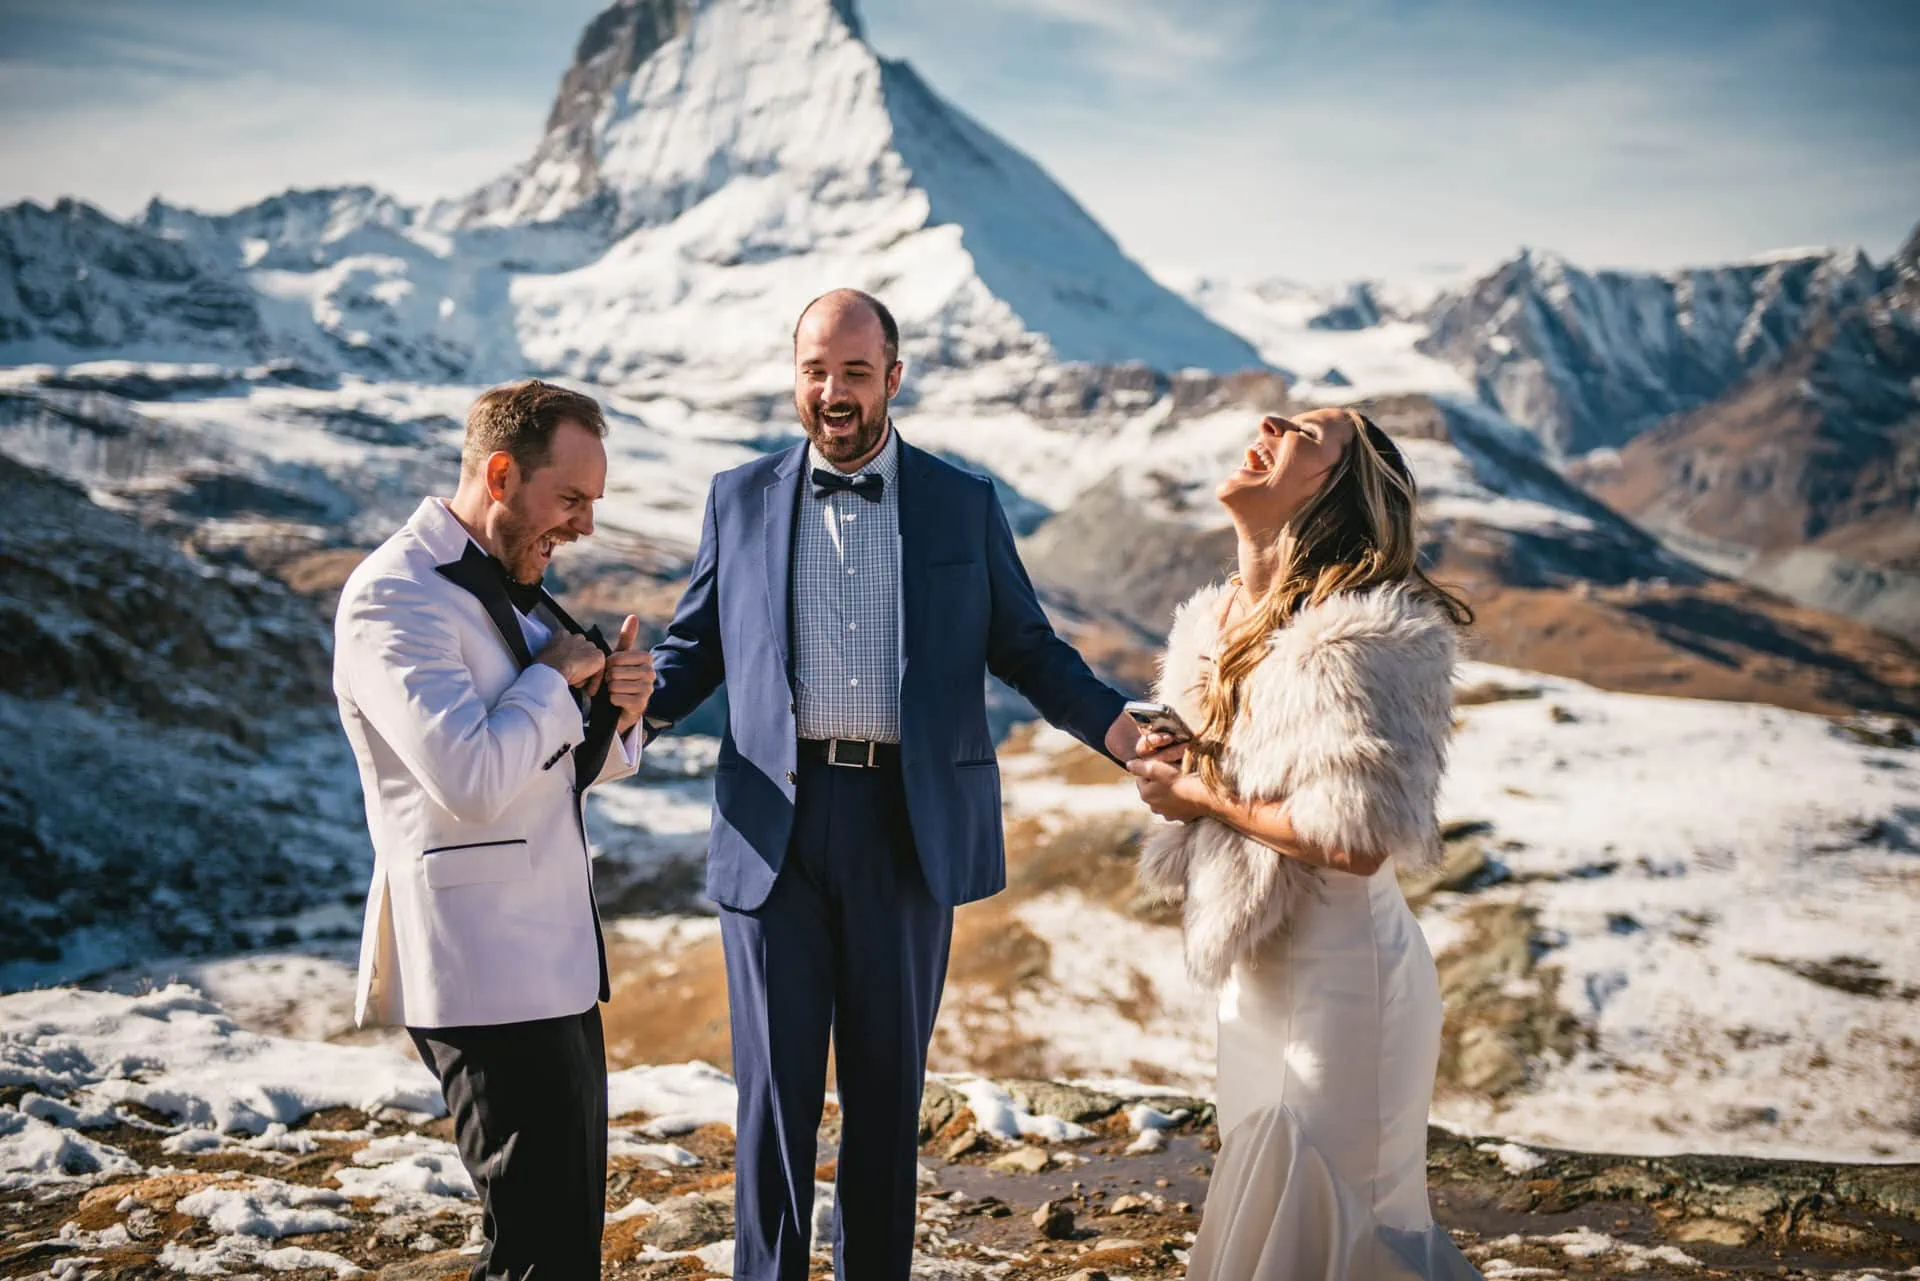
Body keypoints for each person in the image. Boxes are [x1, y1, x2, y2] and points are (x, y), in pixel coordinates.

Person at [644, 289, 1139, 1281]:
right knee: (773, 1104)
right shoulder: (736, 498)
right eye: (815, 371)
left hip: (905, 829)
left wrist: (1121, 729)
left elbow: (1028, 649)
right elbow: (690, 655)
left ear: (893, 377)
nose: (833, 392)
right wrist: (613, 722)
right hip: (772, 823)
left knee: (883, 1096)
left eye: (854, 373)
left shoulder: (963, 502)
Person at [1127, 407, 1482, 1280]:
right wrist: (1170, 787)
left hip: (1344, 982)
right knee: (1267, 1205)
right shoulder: (1215, 626)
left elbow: (1356, 844)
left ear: (1331, 488)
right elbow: (1216, 796)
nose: (1271, 421)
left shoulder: (1362, 638)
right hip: (1260, 967)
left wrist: (1200, 792)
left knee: (1332, 1221)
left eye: (1305, 432)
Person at [333, 378, 655, 1279]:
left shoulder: (510, 586)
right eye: (572, 499)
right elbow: (472, 778)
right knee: (534, 1253)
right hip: (479, 971)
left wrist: (616, 713)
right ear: (502, 473)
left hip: (550, 968)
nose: (584, 525)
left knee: (561, 1251)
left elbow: (544, 774)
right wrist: (556, 679)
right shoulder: (392, 598)